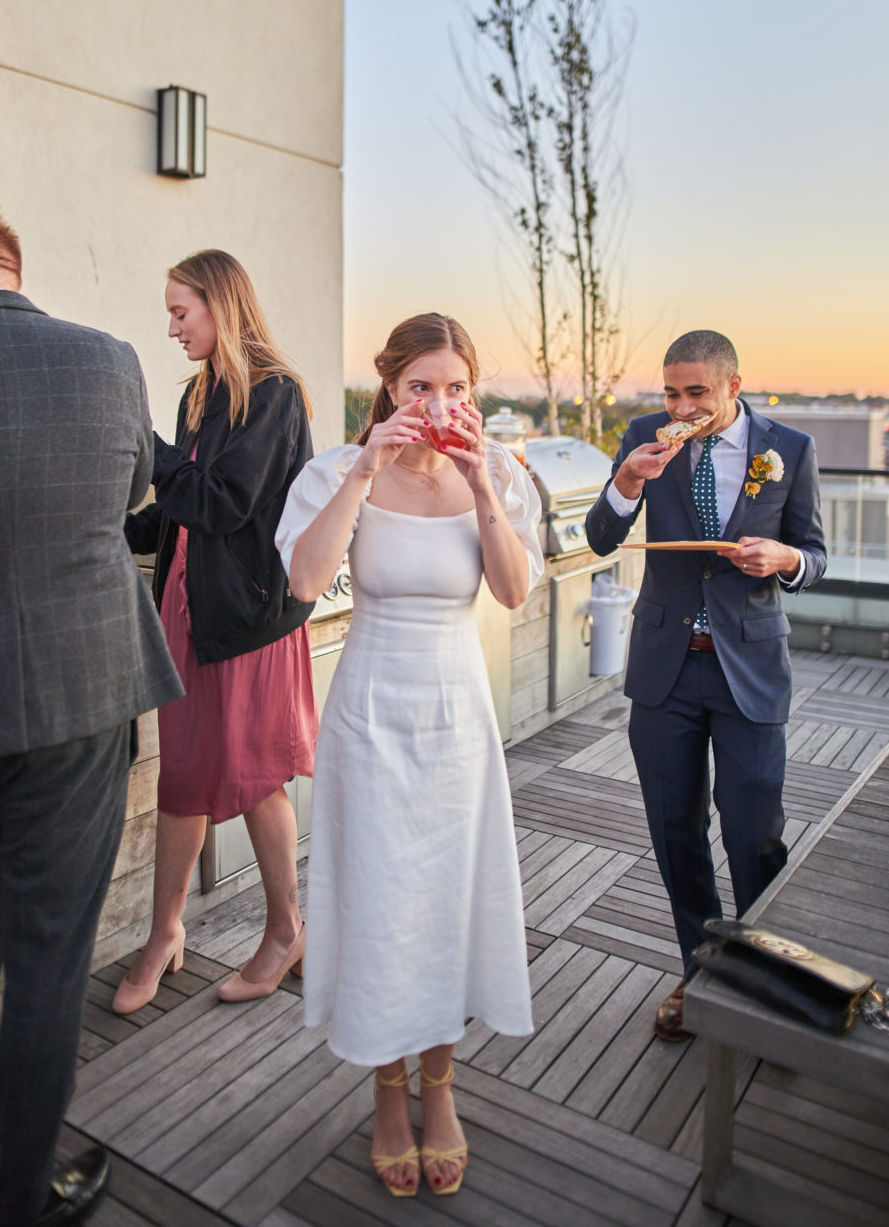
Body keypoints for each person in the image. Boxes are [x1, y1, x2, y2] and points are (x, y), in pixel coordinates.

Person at [0, 197, 183, 1227]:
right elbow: (131, 497)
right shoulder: (109, 361)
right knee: (48, 960)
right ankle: (22, 1198)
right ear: (10, 268)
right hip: (80, 697)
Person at [276, 312, 544, 1200]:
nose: (438, 403)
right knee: (381, 901)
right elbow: (303, 581)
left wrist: (481, 484)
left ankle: (441, 1086)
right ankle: (387, 1091)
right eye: (420, 386)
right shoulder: (336, 471)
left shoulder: (496, 472)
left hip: (458, 716)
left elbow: (512, 590)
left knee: (445, 903)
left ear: (473, 394)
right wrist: (365, 470)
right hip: (369, 715)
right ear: (389, 387)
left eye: (456, 388)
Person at [585, 329, 826, 1040]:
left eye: (697, 392)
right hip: (666, 667)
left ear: (732, 386)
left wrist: (783, 558)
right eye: (671, 393)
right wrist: (628, 482)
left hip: (748, 668)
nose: (682, 407)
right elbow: (600, 538)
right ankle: (701, 974)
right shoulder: (644, 437)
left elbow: (815, 556)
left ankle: (765, 979)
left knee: (755, 835)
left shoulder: (790, 449)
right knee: (675, 832)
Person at [116, 249, 318, 1015]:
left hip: (245, 622)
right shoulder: (201, 394)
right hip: (186, 608)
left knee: (256, 776)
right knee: (183, 775)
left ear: (220, 305)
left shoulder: (275, 394)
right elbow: (180, 507)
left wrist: (148, 448)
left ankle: (284, 930)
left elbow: (223, 501)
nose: (172, 328)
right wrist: (111, 528)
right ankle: (165, 932)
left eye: (181, 312)